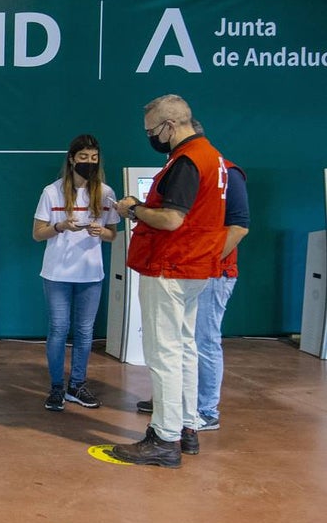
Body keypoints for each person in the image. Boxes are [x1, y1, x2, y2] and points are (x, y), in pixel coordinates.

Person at [112, 95, 228, 468]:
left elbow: (171, 219)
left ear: (170, 126)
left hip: (170, 266)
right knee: (184, 349)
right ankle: (187, 428)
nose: (151, 137)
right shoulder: (214, 158)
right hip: (195, 267)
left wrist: (133, 209)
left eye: (152, 131)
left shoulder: (186, 161)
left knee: (164, 355)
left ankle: (164, 437)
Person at [136, 158, 249, 430]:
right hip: (192, 266)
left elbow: (239, 226)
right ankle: (177, 404)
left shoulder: (226, 173)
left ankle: (204, 409)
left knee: (201, 340)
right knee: (180, 341)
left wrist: (211, 262)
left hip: (212, 271)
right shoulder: (196, 171)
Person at [32, 135, 120, 412]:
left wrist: (100, 231)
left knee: (84, 332)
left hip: (91, 274)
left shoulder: (106, 193)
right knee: (59, 329)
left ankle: (77, 385)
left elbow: (112, 235)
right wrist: (60, 227)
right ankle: (56, 386)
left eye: (94, 159)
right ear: (72, 159)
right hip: (56, 274)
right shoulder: (52, 192)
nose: (89, 163)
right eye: (84, 158)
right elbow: (37, 234)